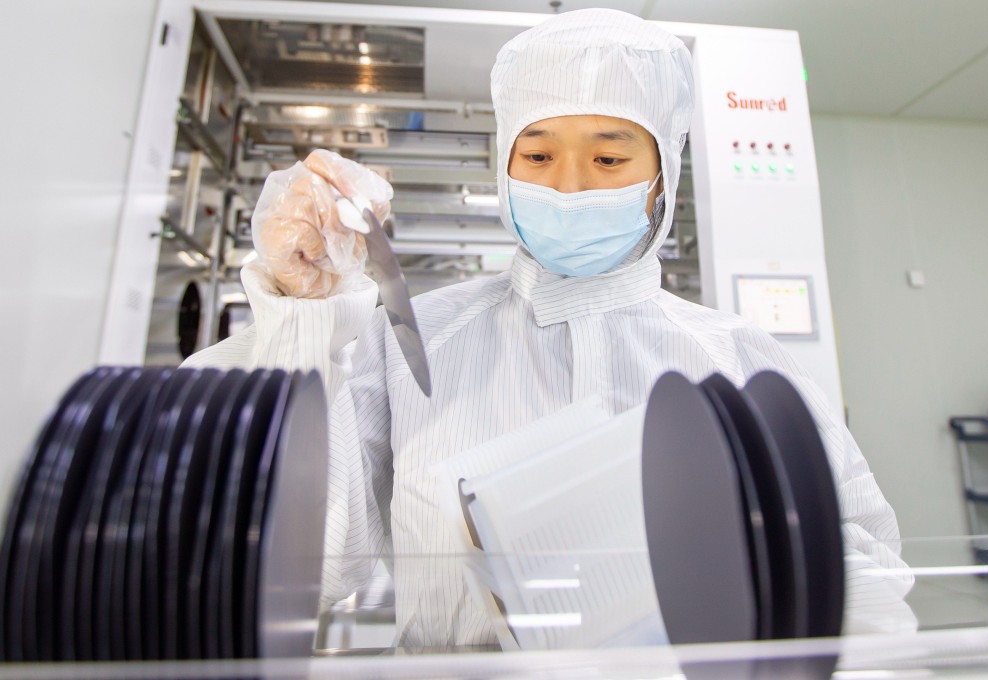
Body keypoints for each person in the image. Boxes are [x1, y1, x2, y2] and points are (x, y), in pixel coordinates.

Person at [184, 8, 916, 647]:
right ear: (504, 167)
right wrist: (302, 311)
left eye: (609, 156)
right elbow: (295, 566)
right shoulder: (411, 343)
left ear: (664, 172)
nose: (569, 186)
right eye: (537, 154)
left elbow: (859, 567)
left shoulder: (741, 360)